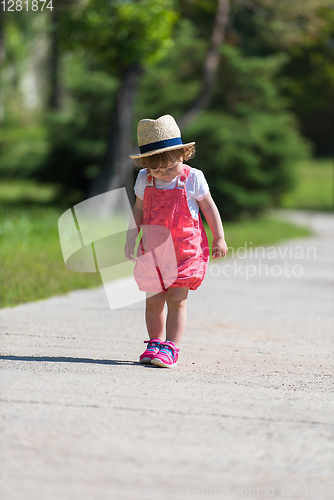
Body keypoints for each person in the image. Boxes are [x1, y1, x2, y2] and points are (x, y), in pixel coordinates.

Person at [125, 114, 227, 368]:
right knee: (153, 300)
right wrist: (131, 237)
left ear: (183, 154)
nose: (165, 173)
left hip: (185, 251)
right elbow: (138, 210)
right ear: (147, 167)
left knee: (176, 300)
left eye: (170, 167)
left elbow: (209, 209)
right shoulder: (144, 180)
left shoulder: (192, 178)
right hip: (153, 251)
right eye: (157, 169)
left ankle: (171, 347)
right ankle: (154, 344)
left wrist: (219, 237)